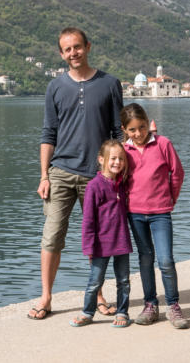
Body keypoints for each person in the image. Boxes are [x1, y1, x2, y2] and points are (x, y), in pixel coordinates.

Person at [28, 27, 123, 320]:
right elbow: (48, 134)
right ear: (61, 53)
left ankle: (97, 295)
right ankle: (45, 297)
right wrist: (44, 176)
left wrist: (117, 173)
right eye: (67, 49)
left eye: (77, 47)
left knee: (97, 238)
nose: (73, 53)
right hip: (60, 172)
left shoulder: (109, 83)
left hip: (98, 176)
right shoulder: (56, 87)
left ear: (88, 46)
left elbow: (117, 131)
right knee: (52, 236)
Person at [121, 103, 189, 329]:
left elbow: (177, 173)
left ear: (147, 122)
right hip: (135, 214)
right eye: (132, 130)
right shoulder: (123, 151)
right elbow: (117, 180)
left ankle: (173, 305)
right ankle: (150, 305)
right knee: (145, 259)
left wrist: (171, 198)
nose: (138, 133)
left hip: (161, 213)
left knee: (166, 260)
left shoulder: (163, 144)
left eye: (141, 127)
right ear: (124, 130)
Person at [69, 140, 132, 328]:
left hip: (121, 241)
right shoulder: (94, 186)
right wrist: (88, 247)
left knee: (123, 281)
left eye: (121, 159)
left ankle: (122, 312)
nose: (117, 162)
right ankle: (88, 312)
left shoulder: (122, 184)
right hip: (100, 244)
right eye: (113, 158)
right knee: (95, 281)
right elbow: (88, 220)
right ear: (101, 160)